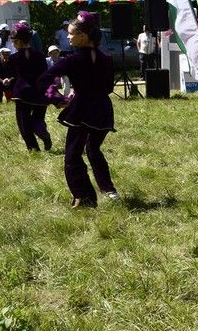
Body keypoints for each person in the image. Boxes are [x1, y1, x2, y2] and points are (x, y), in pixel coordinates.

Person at [37, 11, 119, 208]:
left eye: (71, 34)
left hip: (82, 110)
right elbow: (108, 88)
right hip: (102, 109)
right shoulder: (106, 58)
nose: (67, 37)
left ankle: (85, 198)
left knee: (72, 156)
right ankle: (109, 190)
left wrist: (57, 99)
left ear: (83, 36)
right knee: (93, 149)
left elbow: (44, 81)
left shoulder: (71, 60)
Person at [9, 22, 52, 151]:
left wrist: (8, 81)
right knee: (38, 119)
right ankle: (41, 130)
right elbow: (45, 73)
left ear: (19, 41)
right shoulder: (40, 56)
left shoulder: (14, 58)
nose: (12, 43)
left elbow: (13, 76)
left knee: (23, 122)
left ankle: (33, 149)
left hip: (22, 93)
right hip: (40, 92)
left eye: (13, 41)